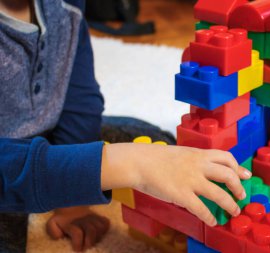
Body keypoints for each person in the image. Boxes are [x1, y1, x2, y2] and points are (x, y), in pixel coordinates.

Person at [0, 0, 251, 251]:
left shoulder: (67, 5)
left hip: (48, 128)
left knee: (160, 146)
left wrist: (73, 202)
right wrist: (130, 164)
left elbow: (78, 99)